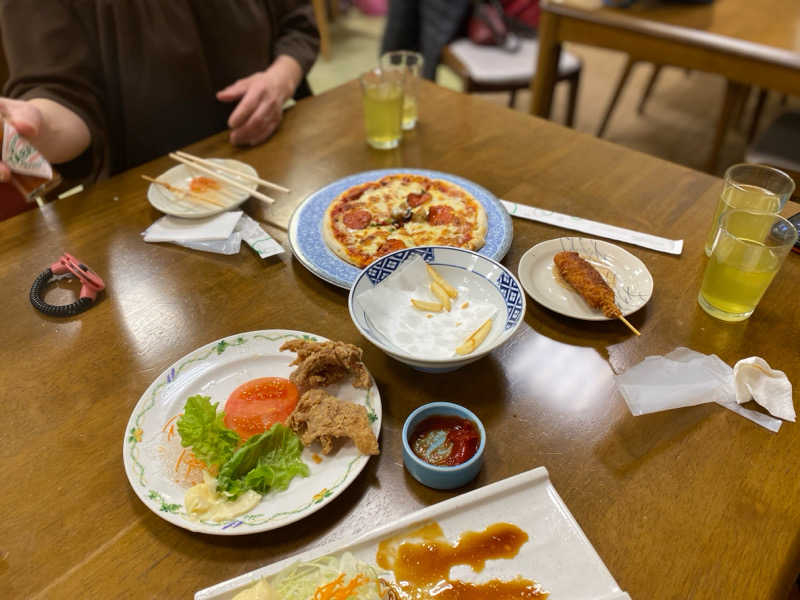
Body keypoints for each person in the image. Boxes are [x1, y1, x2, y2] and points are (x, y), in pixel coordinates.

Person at [0, 0, 320, 186]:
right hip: (155, 207)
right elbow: (62, 97)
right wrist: (31, 127)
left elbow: (297, 23)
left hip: (277, 158)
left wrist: (280, 80)